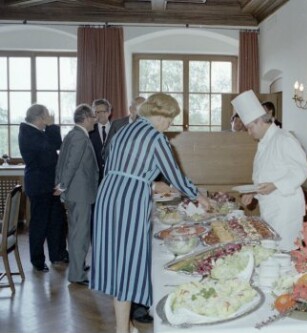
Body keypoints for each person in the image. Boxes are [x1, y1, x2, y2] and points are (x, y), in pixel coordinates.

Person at [90, 92, 210, 333]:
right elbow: (175, 175)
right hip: (129, 200)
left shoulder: (125, 129)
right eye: (170, 118)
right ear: (161, 113)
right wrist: (199, 195)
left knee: (116, 261)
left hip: (107, 195)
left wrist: (148, 183)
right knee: (127, 264)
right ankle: (121, 330)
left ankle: (126, 323)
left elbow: (114, 164)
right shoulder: (156, 138)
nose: (170, 124)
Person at [232, 90, 307, 251]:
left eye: (250, 127)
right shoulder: (265, 142)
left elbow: (300, 170)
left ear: (260, 121)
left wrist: (275, 185)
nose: (249, 133)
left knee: (284, 253)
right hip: (272, 208)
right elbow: (266, 176)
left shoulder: (283, 139)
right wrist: (254, 192)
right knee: (272, 252)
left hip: (285, 210)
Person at [102, 95, 154, 324]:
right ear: (131, 109)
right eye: (138, 109)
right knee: (126, 255)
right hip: (122, 194)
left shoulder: (150, 130)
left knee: (137, 254)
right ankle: (127, 314)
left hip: (140, 190)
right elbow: (107, 154)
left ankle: (139, 308)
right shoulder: (119, 126)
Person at [18, 104, 68, 272]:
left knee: (56, 221)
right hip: (40, 186)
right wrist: (52, 126)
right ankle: (37, 261)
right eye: (46, 116)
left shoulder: (37, 132)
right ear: (40, 118)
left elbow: (56, 145)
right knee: (40, 224)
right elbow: (51, 149)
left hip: (49, 184)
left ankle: (57, 255)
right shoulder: (28, 132)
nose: (48, 120)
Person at [54, 104, 99, 285]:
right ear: (86, 118)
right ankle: (77, 275)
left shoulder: (72, 134)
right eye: (94, 117)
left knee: (75, 234)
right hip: (79, 194)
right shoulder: (80, 137)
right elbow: (70, 164)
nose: (95, 120)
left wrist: (61, 185)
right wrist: (62, 186)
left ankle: (77, 267)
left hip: (74, 193)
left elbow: (61, 162)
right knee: (80, 235)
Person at [103, 96, 145, 161]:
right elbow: (107, 150)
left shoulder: (149, 126)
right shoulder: (117, 125)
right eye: (138, 109)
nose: (141, 113)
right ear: (131, 109)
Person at [89, 98, 112, 182]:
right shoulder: (89, 131)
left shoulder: (117, 129)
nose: (99, 115)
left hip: (111, 175)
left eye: (102, 112)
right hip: (93, 177)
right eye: (96, 112)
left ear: (109, 112)